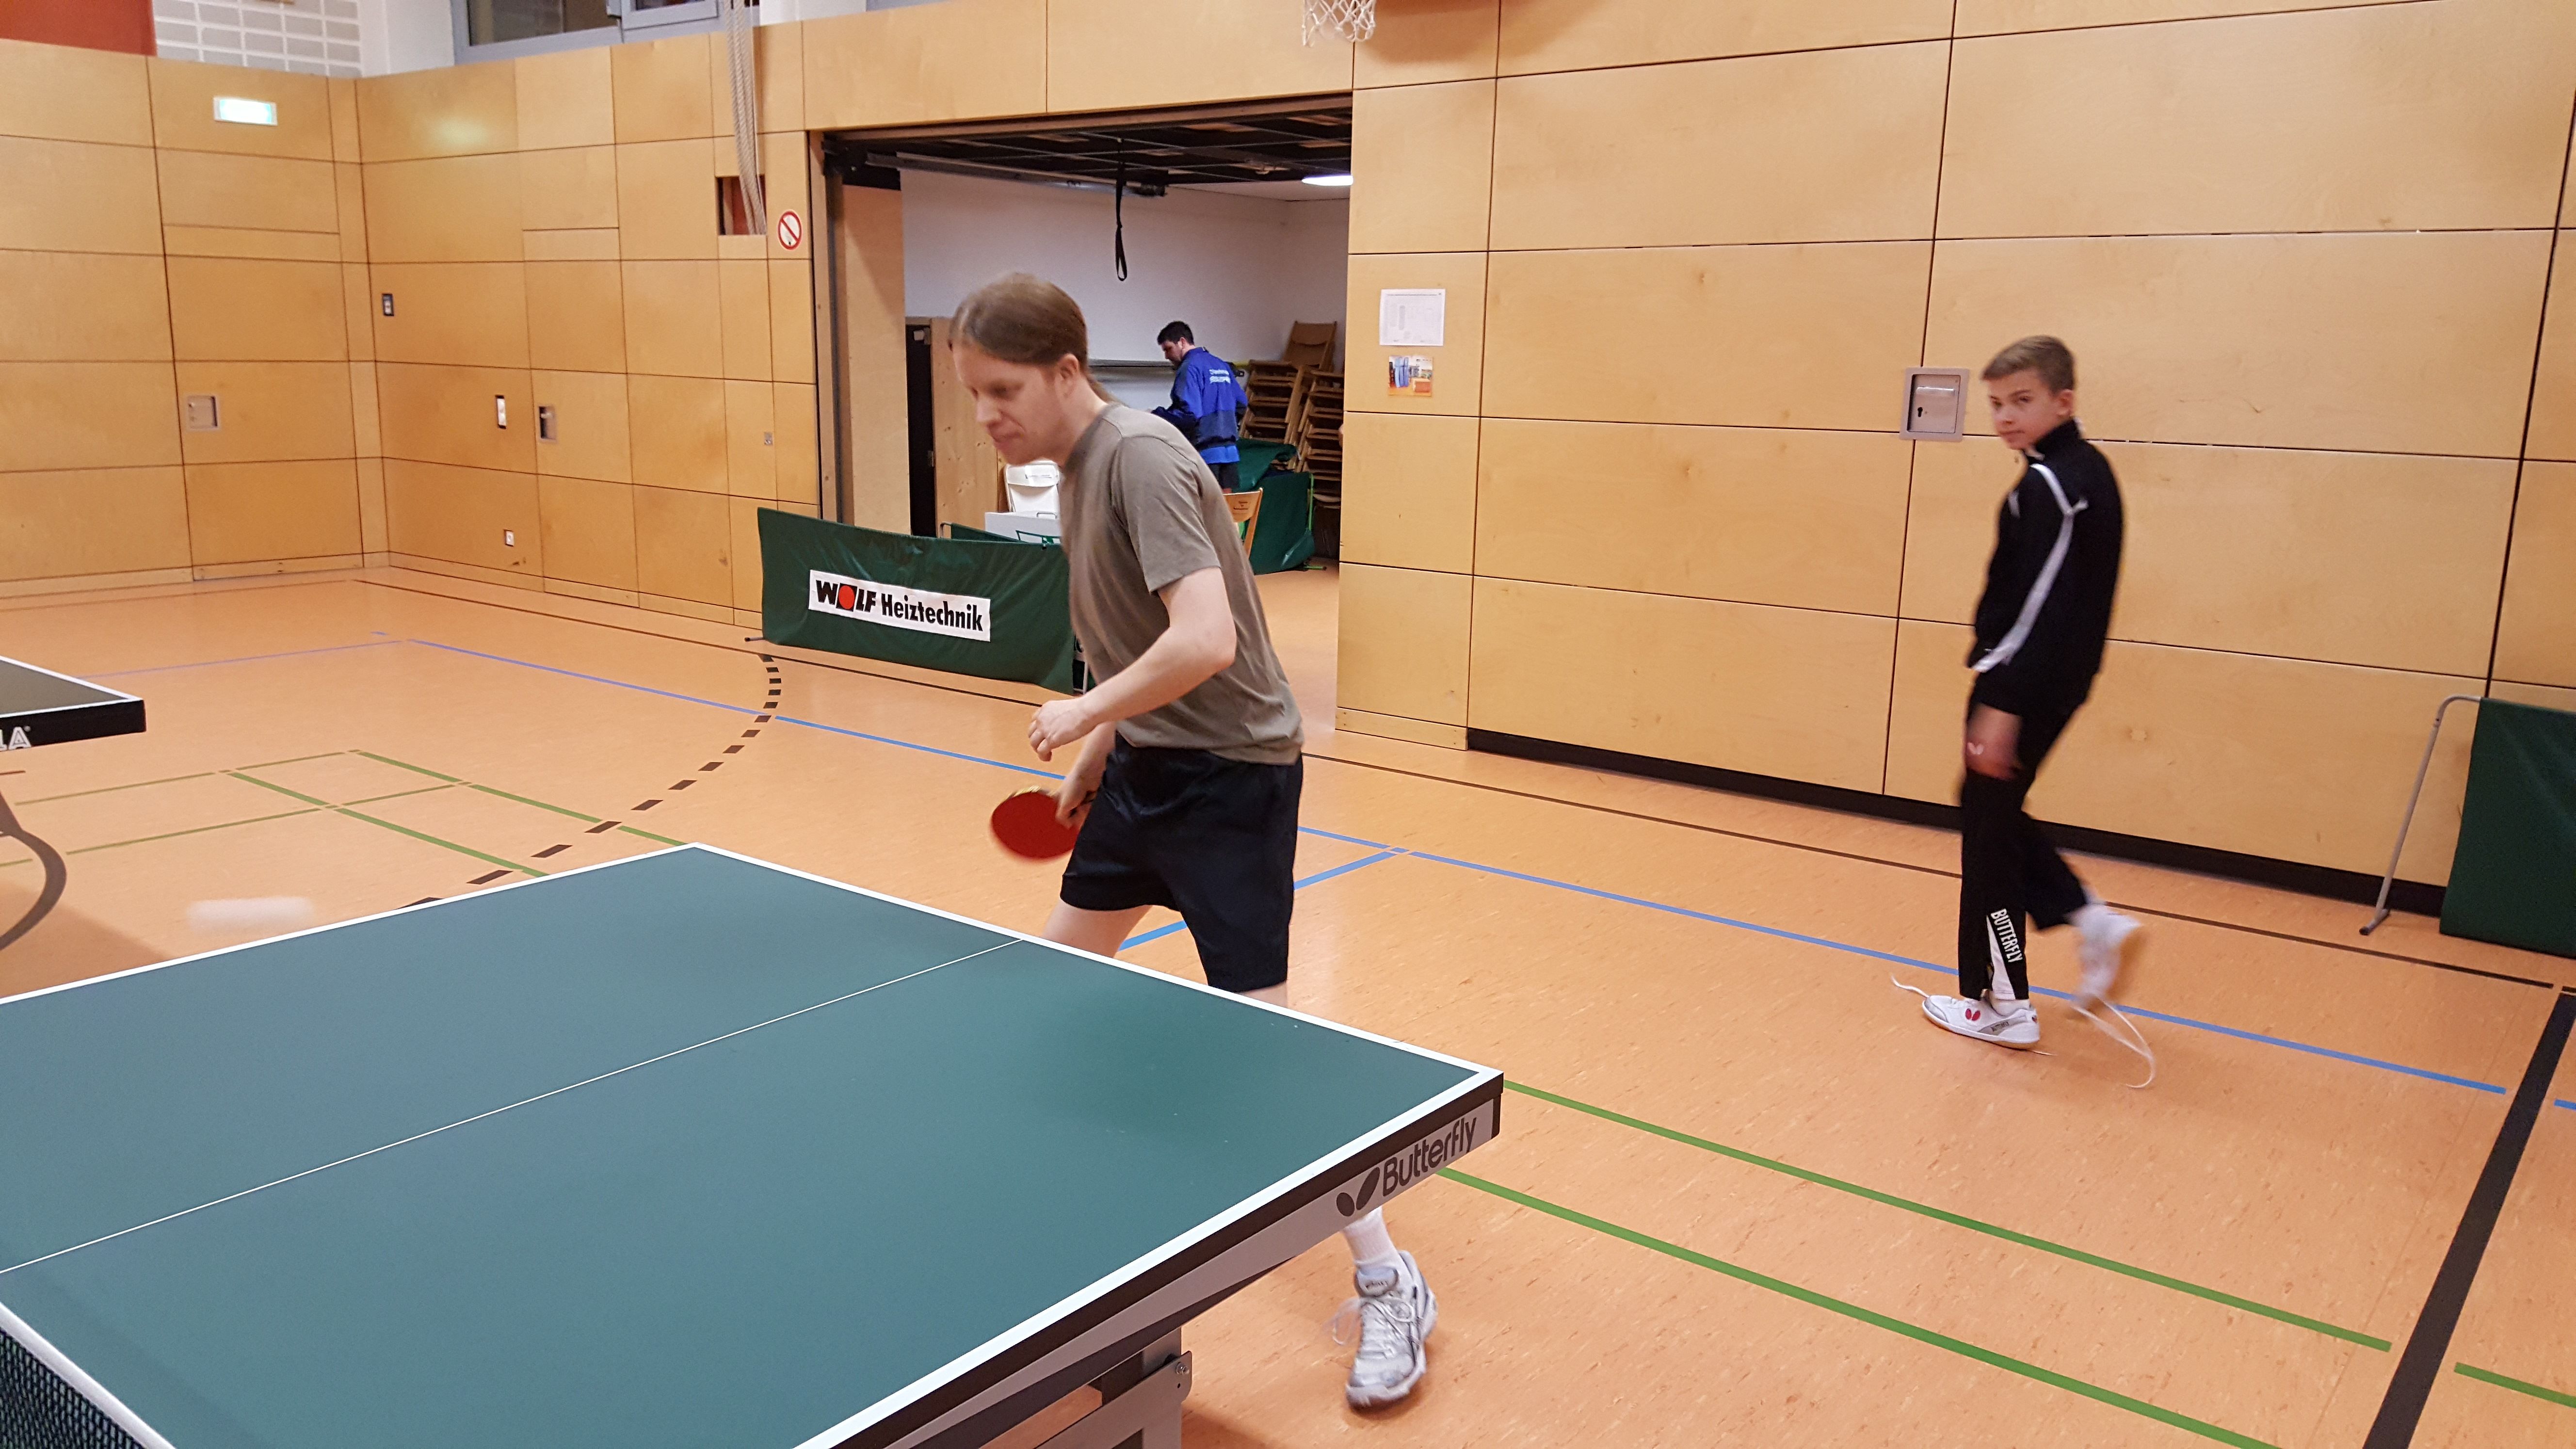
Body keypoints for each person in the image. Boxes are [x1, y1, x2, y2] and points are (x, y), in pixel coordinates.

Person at [949, 274, 1439, 1409]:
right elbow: (1140, 637)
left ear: (1066, 371)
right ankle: (1043, 1223)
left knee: (1262, 1055)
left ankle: (1387, 1277)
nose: (984, 414)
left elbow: (1207, 637)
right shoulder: (1075, 466)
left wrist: (1082, 707)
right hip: (1145, 768)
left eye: (1002, 389)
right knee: (1053, 985)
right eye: (973, 393)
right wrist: (1102, 743)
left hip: (1231, 781)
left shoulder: (1140, 458)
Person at [1916, 336, 2141, 1050]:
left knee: (1987, 834)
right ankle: (2087, 917)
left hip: (2022, 683)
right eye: (1996, 404)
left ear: (2062, 401)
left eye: (2022, 401)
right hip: (2054, 680)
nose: (2005, 418)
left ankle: (2001, 1004)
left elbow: (2038, 606)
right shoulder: (2084, 471)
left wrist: (2002, 702)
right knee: (1988, 809)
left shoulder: (2048, 487)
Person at [1151, 321, 1250, 491]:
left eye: (1168, 349)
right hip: (1231, 454)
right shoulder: (1221, 365)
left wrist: (1157, 415)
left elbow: (1189, 414)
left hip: (1206, 456)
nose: (1166, 356)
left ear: (1182, 342)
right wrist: (1224, 423)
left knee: (1204, 506)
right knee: (1228, 506)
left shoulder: (1189, 368)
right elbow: (1242, 403)